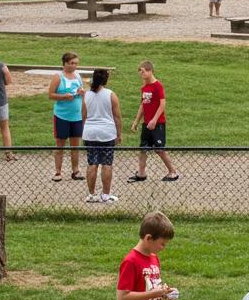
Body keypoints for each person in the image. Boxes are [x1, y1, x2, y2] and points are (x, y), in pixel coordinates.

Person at [128, 60, 180, 183]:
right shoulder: (144, 87)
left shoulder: (158, 86)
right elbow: (143, 105)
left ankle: (172, 172)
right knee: (143, 148)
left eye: (143, 71)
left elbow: (162, 104)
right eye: (140, 71)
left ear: (150, 71)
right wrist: (136, 121)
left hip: (158, 123)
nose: (141, 74)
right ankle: (141, 173)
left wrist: (154, 120)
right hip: (146, 123)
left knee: (159, 149)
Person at [83, 68, 122, 204]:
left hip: (90, 132)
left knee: (92, 163)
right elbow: (117, 117)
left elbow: (83, 115)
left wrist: (84, 131)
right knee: (107, 163)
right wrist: (119, 133)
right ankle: (105, 195)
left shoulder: (86, 95)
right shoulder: (110, 94)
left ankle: (91, 194)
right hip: (106, 132)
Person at [49, 51, 84, 182]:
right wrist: (63, 96)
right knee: (60, 145)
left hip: (76, 116)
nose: (74, 66)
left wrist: (81, 92)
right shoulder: (58, 77)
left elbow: (81, 90)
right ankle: (58, 171)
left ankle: (75, 170)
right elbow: (50, 95)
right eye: (72, 63)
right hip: (62, 116)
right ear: (65, 63)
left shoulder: (77, 76)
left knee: (75, 146)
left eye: (76, 63)